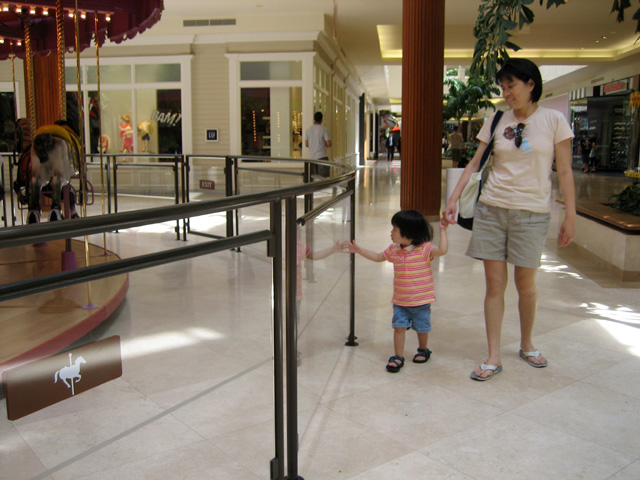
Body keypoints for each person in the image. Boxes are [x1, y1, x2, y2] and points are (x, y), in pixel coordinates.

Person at [441, 58, 576, 381]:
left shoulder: (555, 120)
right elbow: (474, 164)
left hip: (532, 214)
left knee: (525, 286)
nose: (506, 92)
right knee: (494, 285)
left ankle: (527, 344)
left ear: (531, 84)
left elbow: (566, 170)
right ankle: (492, 356)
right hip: (491, 210)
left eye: (511, 85)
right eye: (503, 87)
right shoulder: (496, 119)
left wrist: (570, 214)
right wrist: (452, 198)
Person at [346, 210, 448, 373]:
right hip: (400, 301)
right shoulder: (394, 250)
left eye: (394, 229)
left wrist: (443, 231)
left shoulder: (425, 249)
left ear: (408, 233)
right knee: (398, 328)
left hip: (421, 301)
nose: (391, 232)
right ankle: (398, 356)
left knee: (422, 328)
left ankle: (423, 349)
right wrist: (359, 250)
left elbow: (442, 251)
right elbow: (379, 257)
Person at [304, 111, 332, 178]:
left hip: (312, 157)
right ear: (321, 119)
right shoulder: (324, 129)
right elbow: (329, 143)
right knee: (324, 179)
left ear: (314, 119)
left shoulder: (308, 130)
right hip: (322, 156)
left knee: (315, 178)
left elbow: (306, 144)